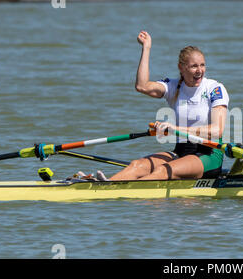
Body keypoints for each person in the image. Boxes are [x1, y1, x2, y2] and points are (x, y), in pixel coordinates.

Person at [88, 31, 229, 181]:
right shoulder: (174, 87)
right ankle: (105, 185)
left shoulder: (214, 89)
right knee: (137, 165)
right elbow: (142, 86)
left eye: (202, 65)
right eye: (194, 66)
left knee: (163, 170)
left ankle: (118, 191)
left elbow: (217, 130)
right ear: (181, 68)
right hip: (181, 151)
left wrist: (175, 129)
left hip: (209, 154)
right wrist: (146, 48)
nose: (199, 70)